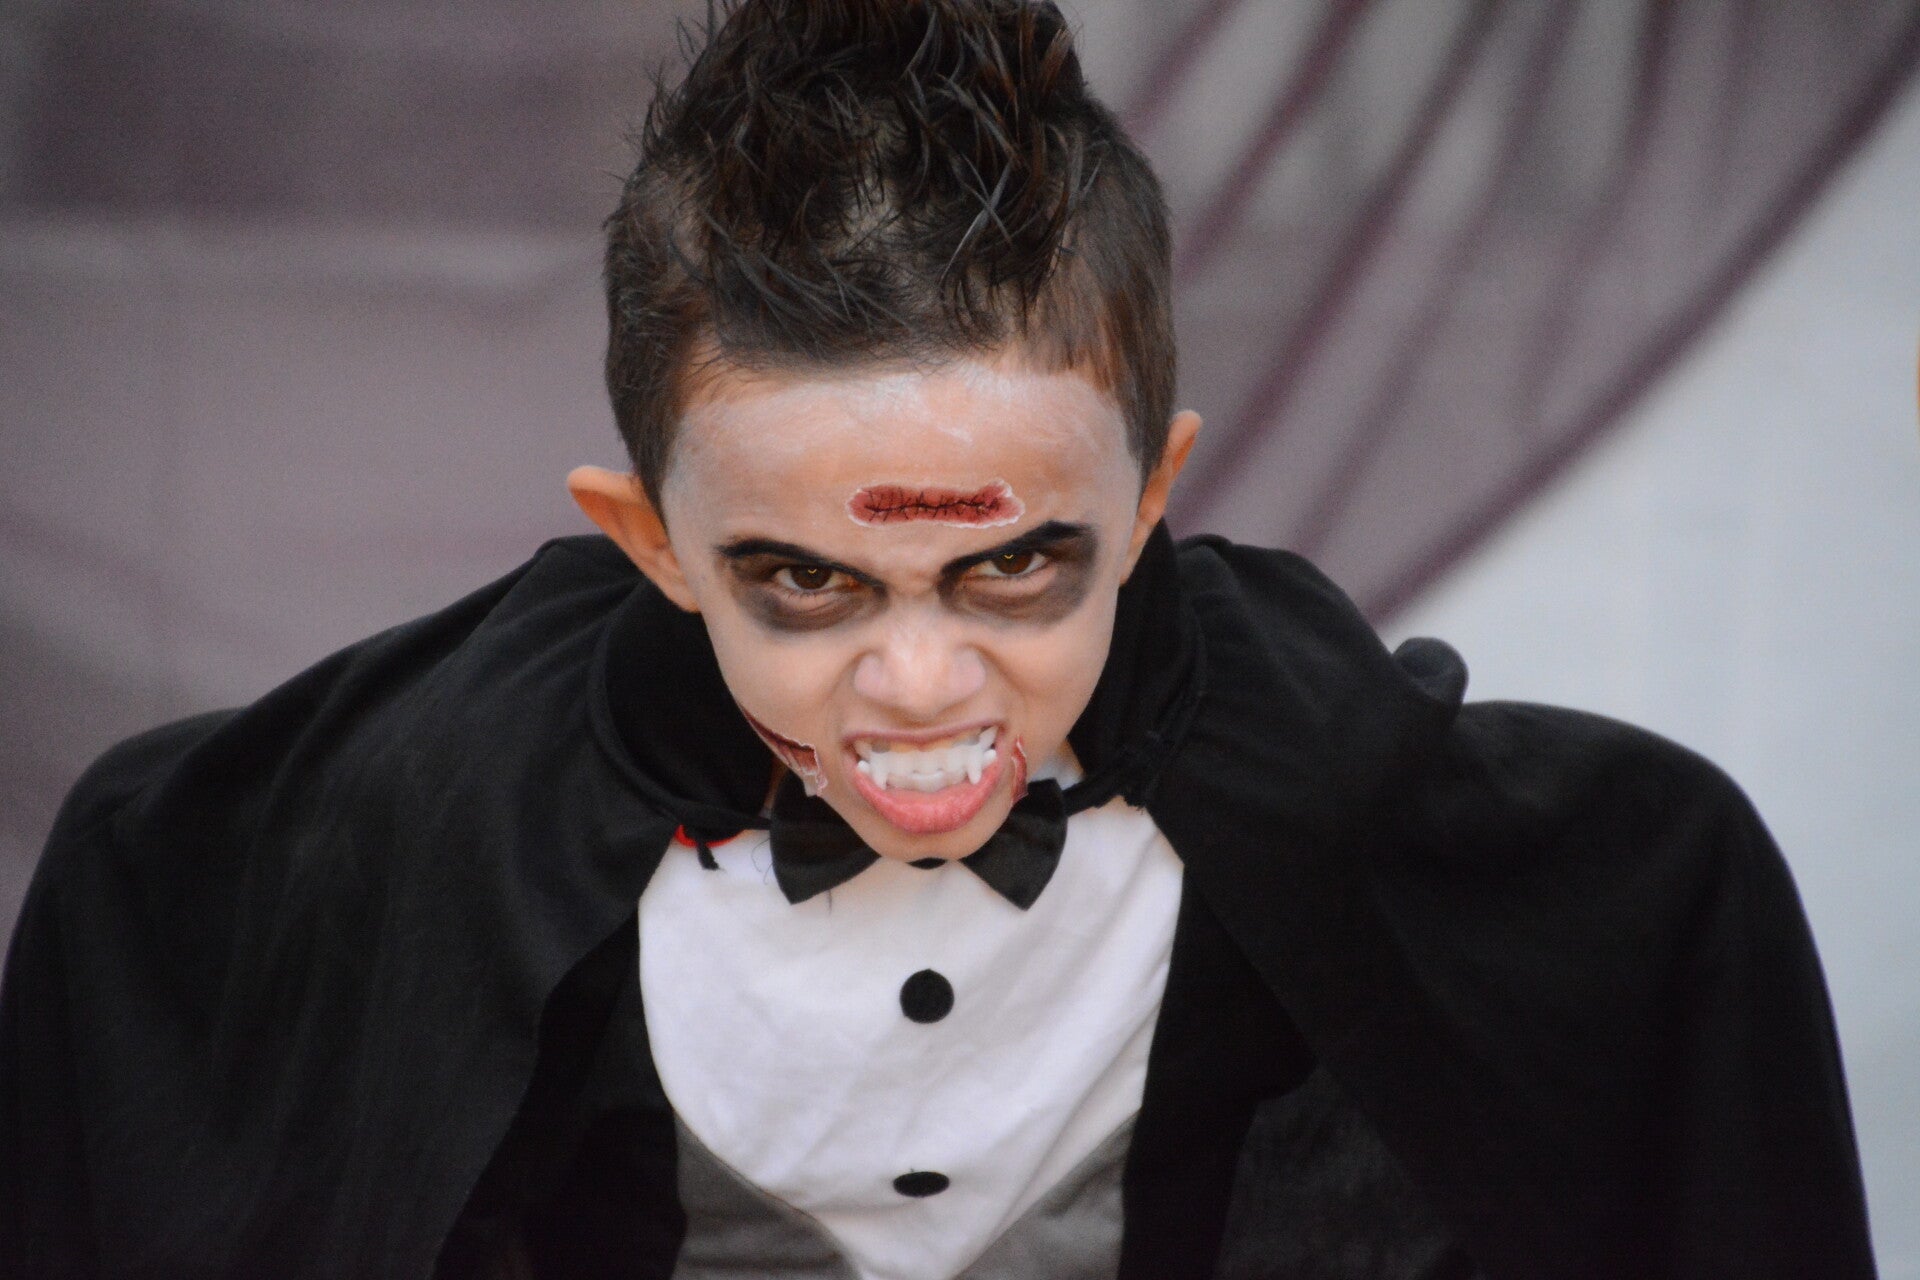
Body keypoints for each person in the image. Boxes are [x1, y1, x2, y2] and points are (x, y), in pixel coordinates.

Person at [0, 2, 1877, 1277]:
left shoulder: (1464, 838)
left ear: (1154, 498)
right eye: (805, 583)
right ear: (648, 543)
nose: (918, 686)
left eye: (1018, 569)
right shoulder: (360, 839)